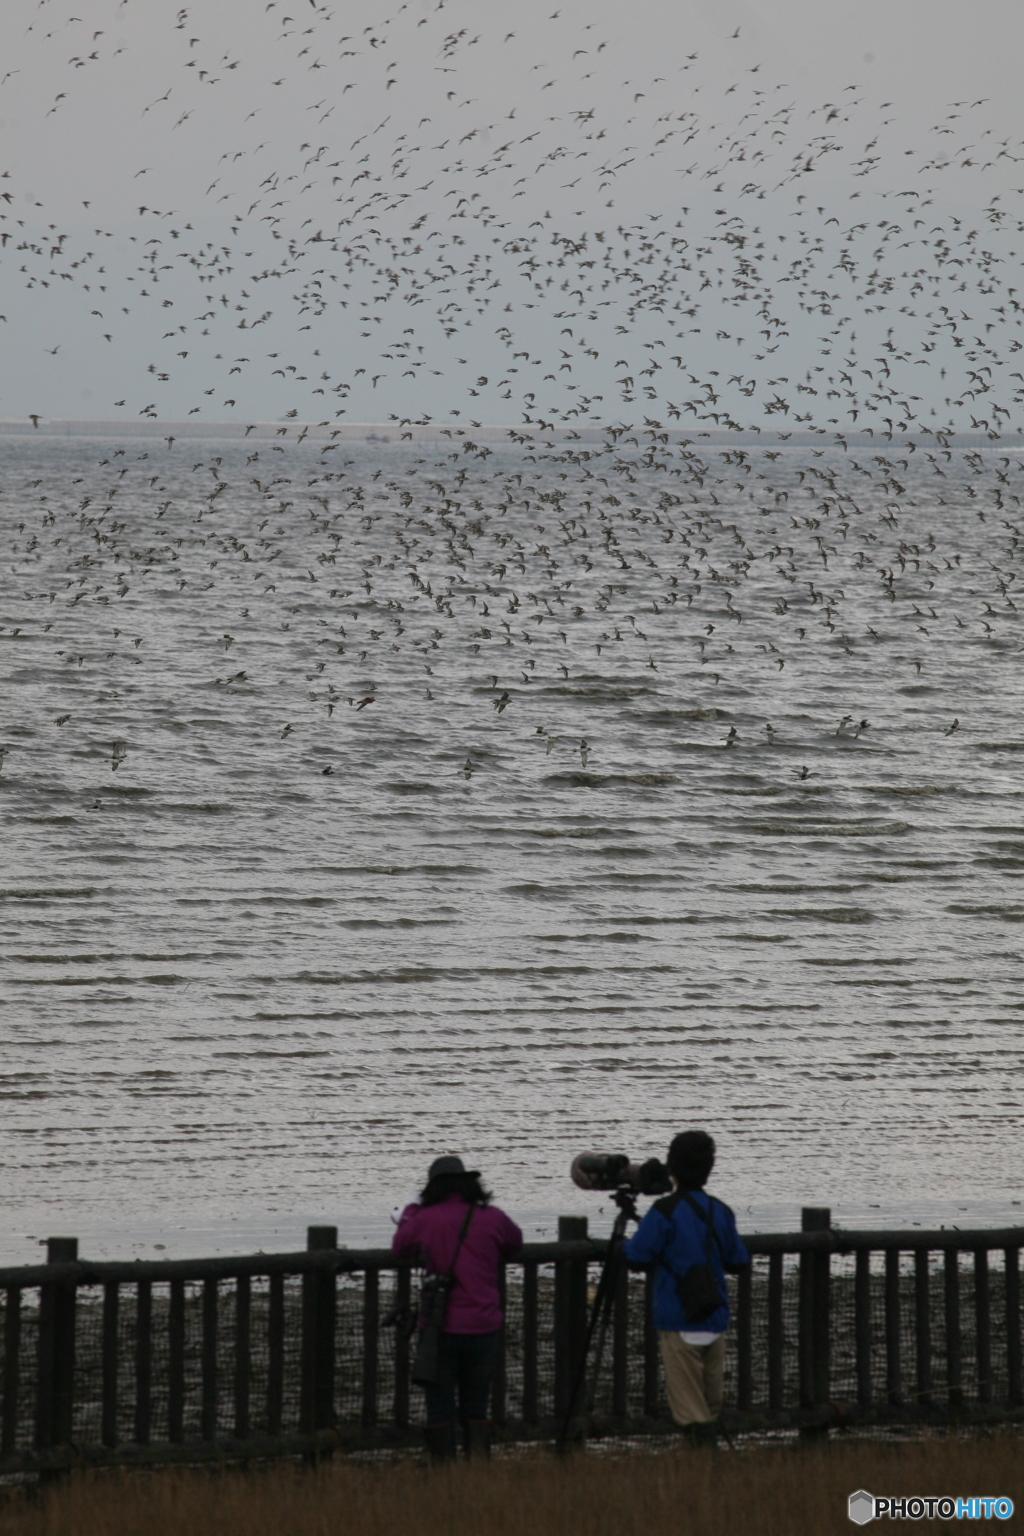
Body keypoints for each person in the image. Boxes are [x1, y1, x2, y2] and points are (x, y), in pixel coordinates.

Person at [392, 1154, 522, 1460]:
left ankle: (445, 1472)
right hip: (484, 1325)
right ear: (469, 1184)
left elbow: (400, 1248)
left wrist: (411, 1211)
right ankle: (477, 1468)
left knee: (439, 1405)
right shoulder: (493, 1217)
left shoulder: (426, 1218)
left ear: (432, 1188)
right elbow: (514, 1243)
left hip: (440, 1328)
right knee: (477, 1405)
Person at [623, 1130, 749, 1445]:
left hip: (677, 1320)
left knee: (691, 1412)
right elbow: (738, 1260)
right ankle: (709, 1470)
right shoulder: (720, 1210)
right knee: (709, 1404)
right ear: (709, 1168)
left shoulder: (664, 1212)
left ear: (671, 1168)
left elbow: (636, 1256)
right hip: (714, 1316)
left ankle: (704, 1470)